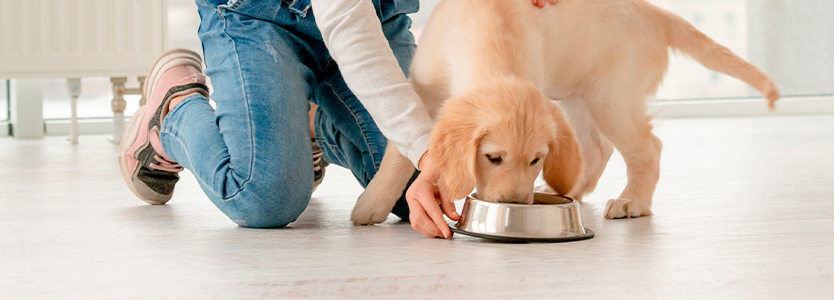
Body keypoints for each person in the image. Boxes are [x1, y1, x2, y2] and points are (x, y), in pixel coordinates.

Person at [119, 0, 555, 238]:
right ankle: (174, 113)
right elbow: (346, 24)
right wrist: (427, 150)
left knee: (417, 197)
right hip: (257, 19)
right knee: (264, 197)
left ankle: (305, 125)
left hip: (378, 19)